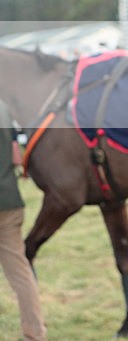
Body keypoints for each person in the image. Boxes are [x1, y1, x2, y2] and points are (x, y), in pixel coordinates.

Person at [0, 99, 47, 341]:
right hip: (8, 202)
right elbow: (17, 158)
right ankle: (35, 333)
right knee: (20, 273)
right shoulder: (4, 108)